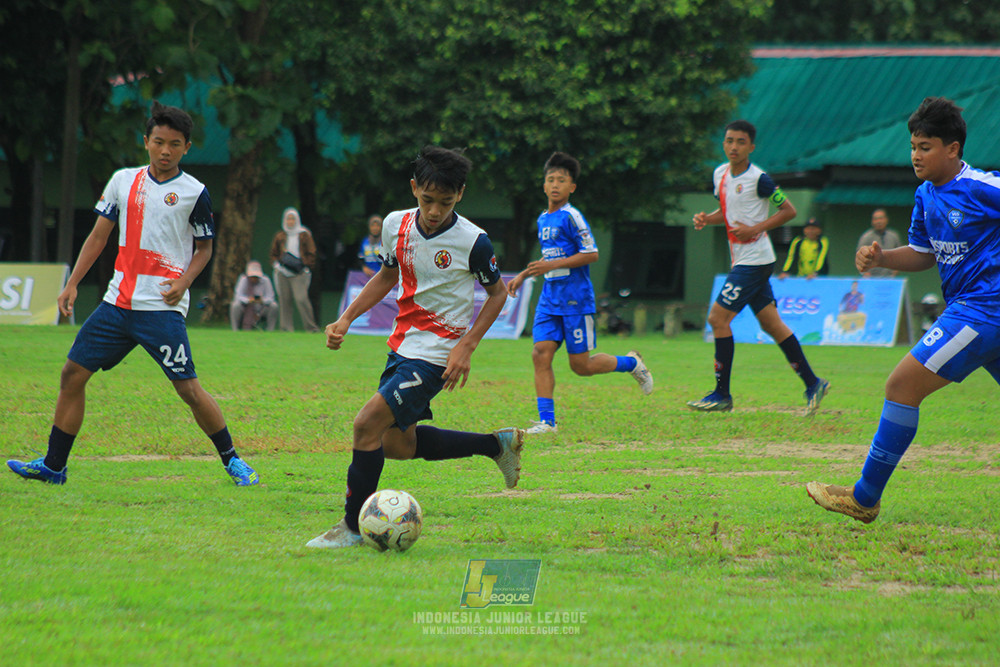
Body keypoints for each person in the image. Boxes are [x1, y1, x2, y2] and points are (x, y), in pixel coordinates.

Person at [5, 101, 259, 486]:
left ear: (187, 147)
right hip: (117, 304)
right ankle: (54, 467)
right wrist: (72, 283)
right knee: (72, 374)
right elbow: (98, 237)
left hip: (161, 309)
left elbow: (205, 249)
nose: (165, 151)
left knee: (188, 389)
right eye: (159, 142)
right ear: (146, 142)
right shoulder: (123, 181)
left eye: (174, 144)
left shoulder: (194, 192)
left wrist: (184, 282)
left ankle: (233, 461)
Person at [306, 146, 524, 549]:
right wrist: (346, 318)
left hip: (437, 354)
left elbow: (497, 295)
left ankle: (352, 528)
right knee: (397, 445)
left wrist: (466, 346)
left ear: (460, 194)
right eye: (427, 200)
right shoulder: (396, 225)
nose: (435, 210)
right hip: (403, 345)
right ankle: (497, 445)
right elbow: (387, 276)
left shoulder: (473, 241)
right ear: (413, 188)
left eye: (446, 201)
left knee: (365, 426)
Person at [808, 97, 1000, 524]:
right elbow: (923, 253)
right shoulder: (926, 195)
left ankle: (863, 497)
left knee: (901, 385)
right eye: (913, 146)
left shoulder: (981, 187)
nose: (915, 155)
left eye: (925, 147)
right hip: (976, 311)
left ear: (953, 148)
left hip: (983, 310)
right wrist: (881, 258)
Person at [506, 152, 653, 435]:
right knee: (540, 354)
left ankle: (632, 363)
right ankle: (547, 423)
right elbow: (550, 257)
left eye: (562, 180)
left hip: (575, 299)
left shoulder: (572, 217)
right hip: (550, 298)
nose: (555, 184)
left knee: (581, 366)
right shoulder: (542, 218)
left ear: (572, 187)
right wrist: (524, 275)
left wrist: (553, 265)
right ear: (544, 185)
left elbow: (591, 253)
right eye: (551, 179)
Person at [688, 120, 829, 415]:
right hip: (745, 260)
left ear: (751, 147)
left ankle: (722, 394)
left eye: (741, 142)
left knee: (717, 319)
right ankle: (813, 383)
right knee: (771, 325)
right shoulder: (719, 174)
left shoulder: (760, 179)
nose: (734, 147)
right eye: (729, 141)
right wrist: (707, 219)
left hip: (755, 260)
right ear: (724, 144)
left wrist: (756, 228)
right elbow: (728, 211)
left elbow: (789, 211)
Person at [269, 207, 320, 332]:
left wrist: (305, 265)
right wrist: (277, 265)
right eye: (288, 219)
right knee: (284, 300)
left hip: (299, 272)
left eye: (292, 219)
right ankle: (286, 328)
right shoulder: (280, 235)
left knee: (301, 299)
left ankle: (311, 327)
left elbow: (311, 252)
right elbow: (274, 253)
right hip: (283, 272)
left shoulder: (304, 234)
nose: (290, 221)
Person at [229, 259, 278, 331]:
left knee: (274, 306)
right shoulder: (243, 280)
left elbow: (271, 297)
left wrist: (262, 300)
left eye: (256, 276)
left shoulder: (266, 280)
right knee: (235, 305)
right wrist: (248, 300)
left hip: (261, 309)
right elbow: (238, 296)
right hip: (246, 308)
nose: (254, 278)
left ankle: (270, 330)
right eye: (252, 276)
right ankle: (235, 330)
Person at [857, 208, 903, 277]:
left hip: (890, 278)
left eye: (881, 218)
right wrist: (866, 274)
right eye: (876, 219)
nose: (878, 222)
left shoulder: (894, 236)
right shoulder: (866, 237)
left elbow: (900, 256)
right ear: (872, 221)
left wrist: (894, 273)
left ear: (886, 220)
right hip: (871, 278)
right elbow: (860, 258)